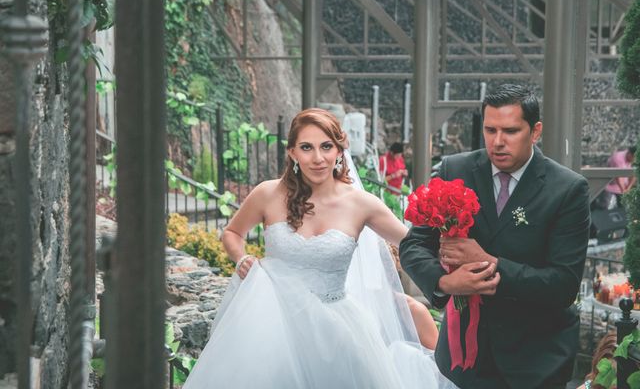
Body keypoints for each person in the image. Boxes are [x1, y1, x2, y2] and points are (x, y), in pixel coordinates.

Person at [183, 108, 456, 389]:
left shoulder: (361, 203)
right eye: (306, 147)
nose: (317, 158)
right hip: (271, 322)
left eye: (326, 146)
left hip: (334, 327)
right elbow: (232, 233)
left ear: (340, 150)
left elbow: (413, 244)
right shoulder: (267, 193)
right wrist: (242, 258)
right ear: (292, 153)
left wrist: (450, 235)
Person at [399, 84, 591, 389]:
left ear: (535, 131)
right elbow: (413, 245)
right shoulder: (455, 169)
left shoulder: (567, 189)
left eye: (511, 131)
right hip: (463, 359)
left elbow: (563, 284)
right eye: (490, 130)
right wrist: (445, 283)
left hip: (536, 361)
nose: (498, 142)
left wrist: (489, 263)